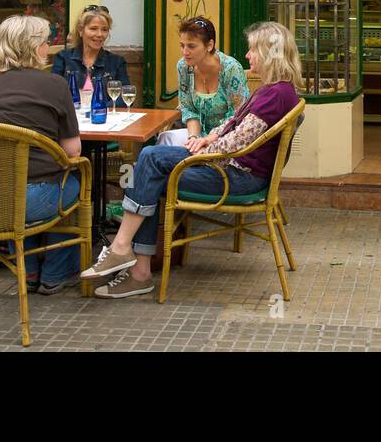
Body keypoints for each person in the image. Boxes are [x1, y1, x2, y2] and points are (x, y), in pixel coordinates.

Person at [82, 21, 301, 299]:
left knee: (147, 171)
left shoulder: (273, 95)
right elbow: (234, 124)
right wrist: (207, 140)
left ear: (271, 54)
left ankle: (132, 262)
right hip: (233, 168)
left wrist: (201, 154)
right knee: (148, 164)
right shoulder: (275, 90)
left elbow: (236, 143)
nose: (248, 56)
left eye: (252, 50)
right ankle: (131, 260)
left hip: (236, 177)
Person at [0, 15, 81, 294]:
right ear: (33, 47)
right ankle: (55, 273)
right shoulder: (54, 85)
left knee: (21, 173)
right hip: (29, 201)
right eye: (44, 42)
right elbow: (72, 151)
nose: (47, 48)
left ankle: (27, 269)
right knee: (70, 175)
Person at [158, 16, 250, 147]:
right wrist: (193, 138)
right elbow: (188, 108)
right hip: (198, 134)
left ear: (209, 45)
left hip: (227, 138)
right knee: (165, 139)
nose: (185, 52)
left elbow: (237, 116)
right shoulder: (183, 66)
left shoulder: (231, 69)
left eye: (191, 46)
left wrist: (208, 140)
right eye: (182, 45)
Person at [51, 5, 130, 106]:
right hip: (70, 118)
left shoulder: (116, 62)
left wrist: (98, 107)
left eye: (104, 29)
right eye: (93, 28)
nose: (99, 34)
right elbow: (52, 93)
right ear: (80, 30)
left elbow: (125, 96)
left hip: (104, 118)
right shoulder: (63, 58)